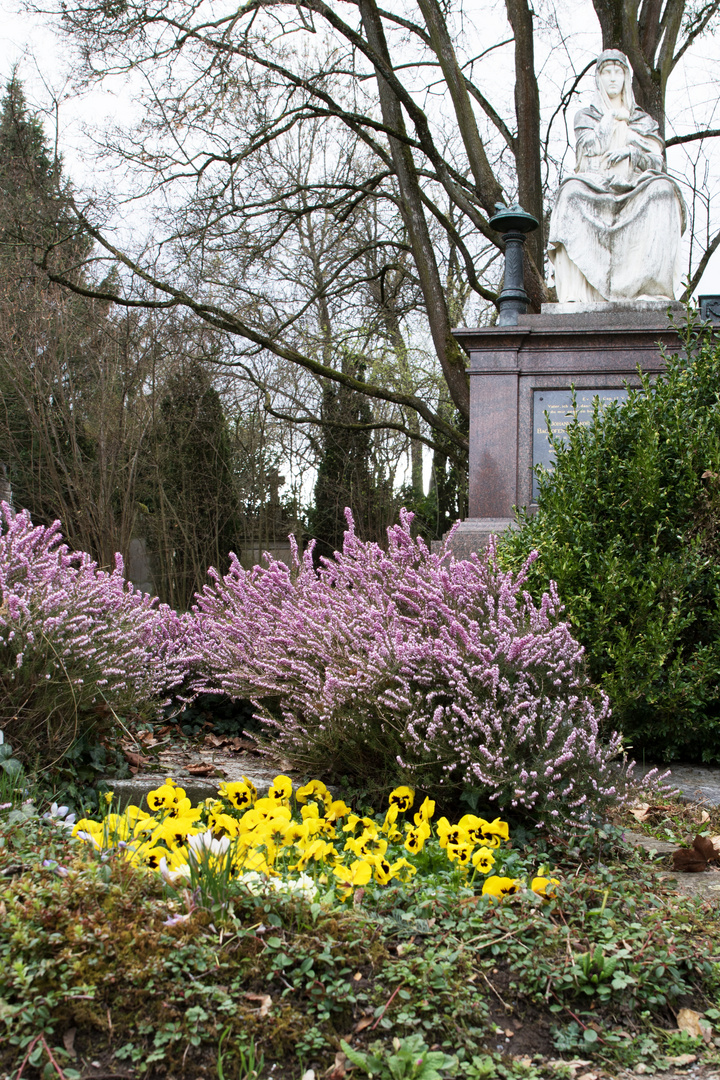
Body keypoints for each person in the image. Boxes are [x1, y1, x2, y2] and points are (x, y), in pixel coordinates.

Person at [547, 50, 686, 303]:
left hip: (636, 185)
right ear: (598, 79)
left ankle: (649, 289)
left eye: (618, 72)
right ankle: (580, 293)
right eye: (606, 72)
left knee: (664, 190)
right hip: (596, 184)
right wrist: (610, 119)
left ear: (626, 77)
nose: (612, 78)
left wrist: (631, 151)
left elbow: (656, 161)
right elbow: (587, 151)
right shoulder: (586, 116)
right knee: (569, 193)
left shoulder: (642, 120)